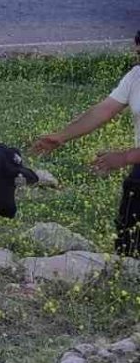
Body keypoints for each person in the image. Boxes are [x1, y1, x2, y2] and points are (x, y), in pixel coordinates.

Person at [33, 31, 140, 257]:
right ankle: (128, 268)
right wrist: (61, 136)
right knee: (129, 227)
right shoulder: (135, 77)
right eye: (138, 53)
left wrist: (124, 158)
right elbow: (104, 110)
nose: (137, 58)